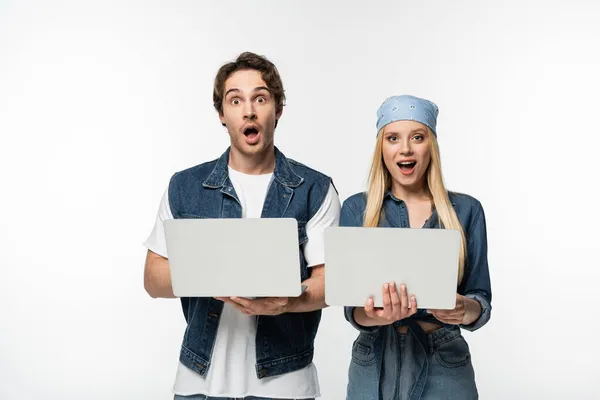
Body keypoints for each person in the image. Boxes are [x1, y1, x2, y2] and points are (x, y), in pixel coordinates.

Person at [143, 51, 340, 400]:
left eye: (260, 98)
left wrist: (288, 302)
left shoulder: (315, 189)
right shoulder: (184, 187)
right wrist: (210, 271)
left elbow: (331, 282)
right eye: (235, 100)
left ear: (277, 110)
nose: (248, 110)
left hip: (285, 385)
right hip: (197, 383)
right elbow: (153, 279)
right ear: (222, 114)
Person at [340, 95, 492, 399]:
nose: (405, 148)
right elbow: (352, 309)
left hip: (444, 359)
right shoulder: (357, 209)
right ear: (381, 148)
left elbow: (481, 300)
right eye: (393, 138)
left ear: (430, 147)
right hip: (374, 361)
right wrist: (379, 316)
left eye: (417, 137)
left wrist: (462, 309)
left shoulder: (466, 210)